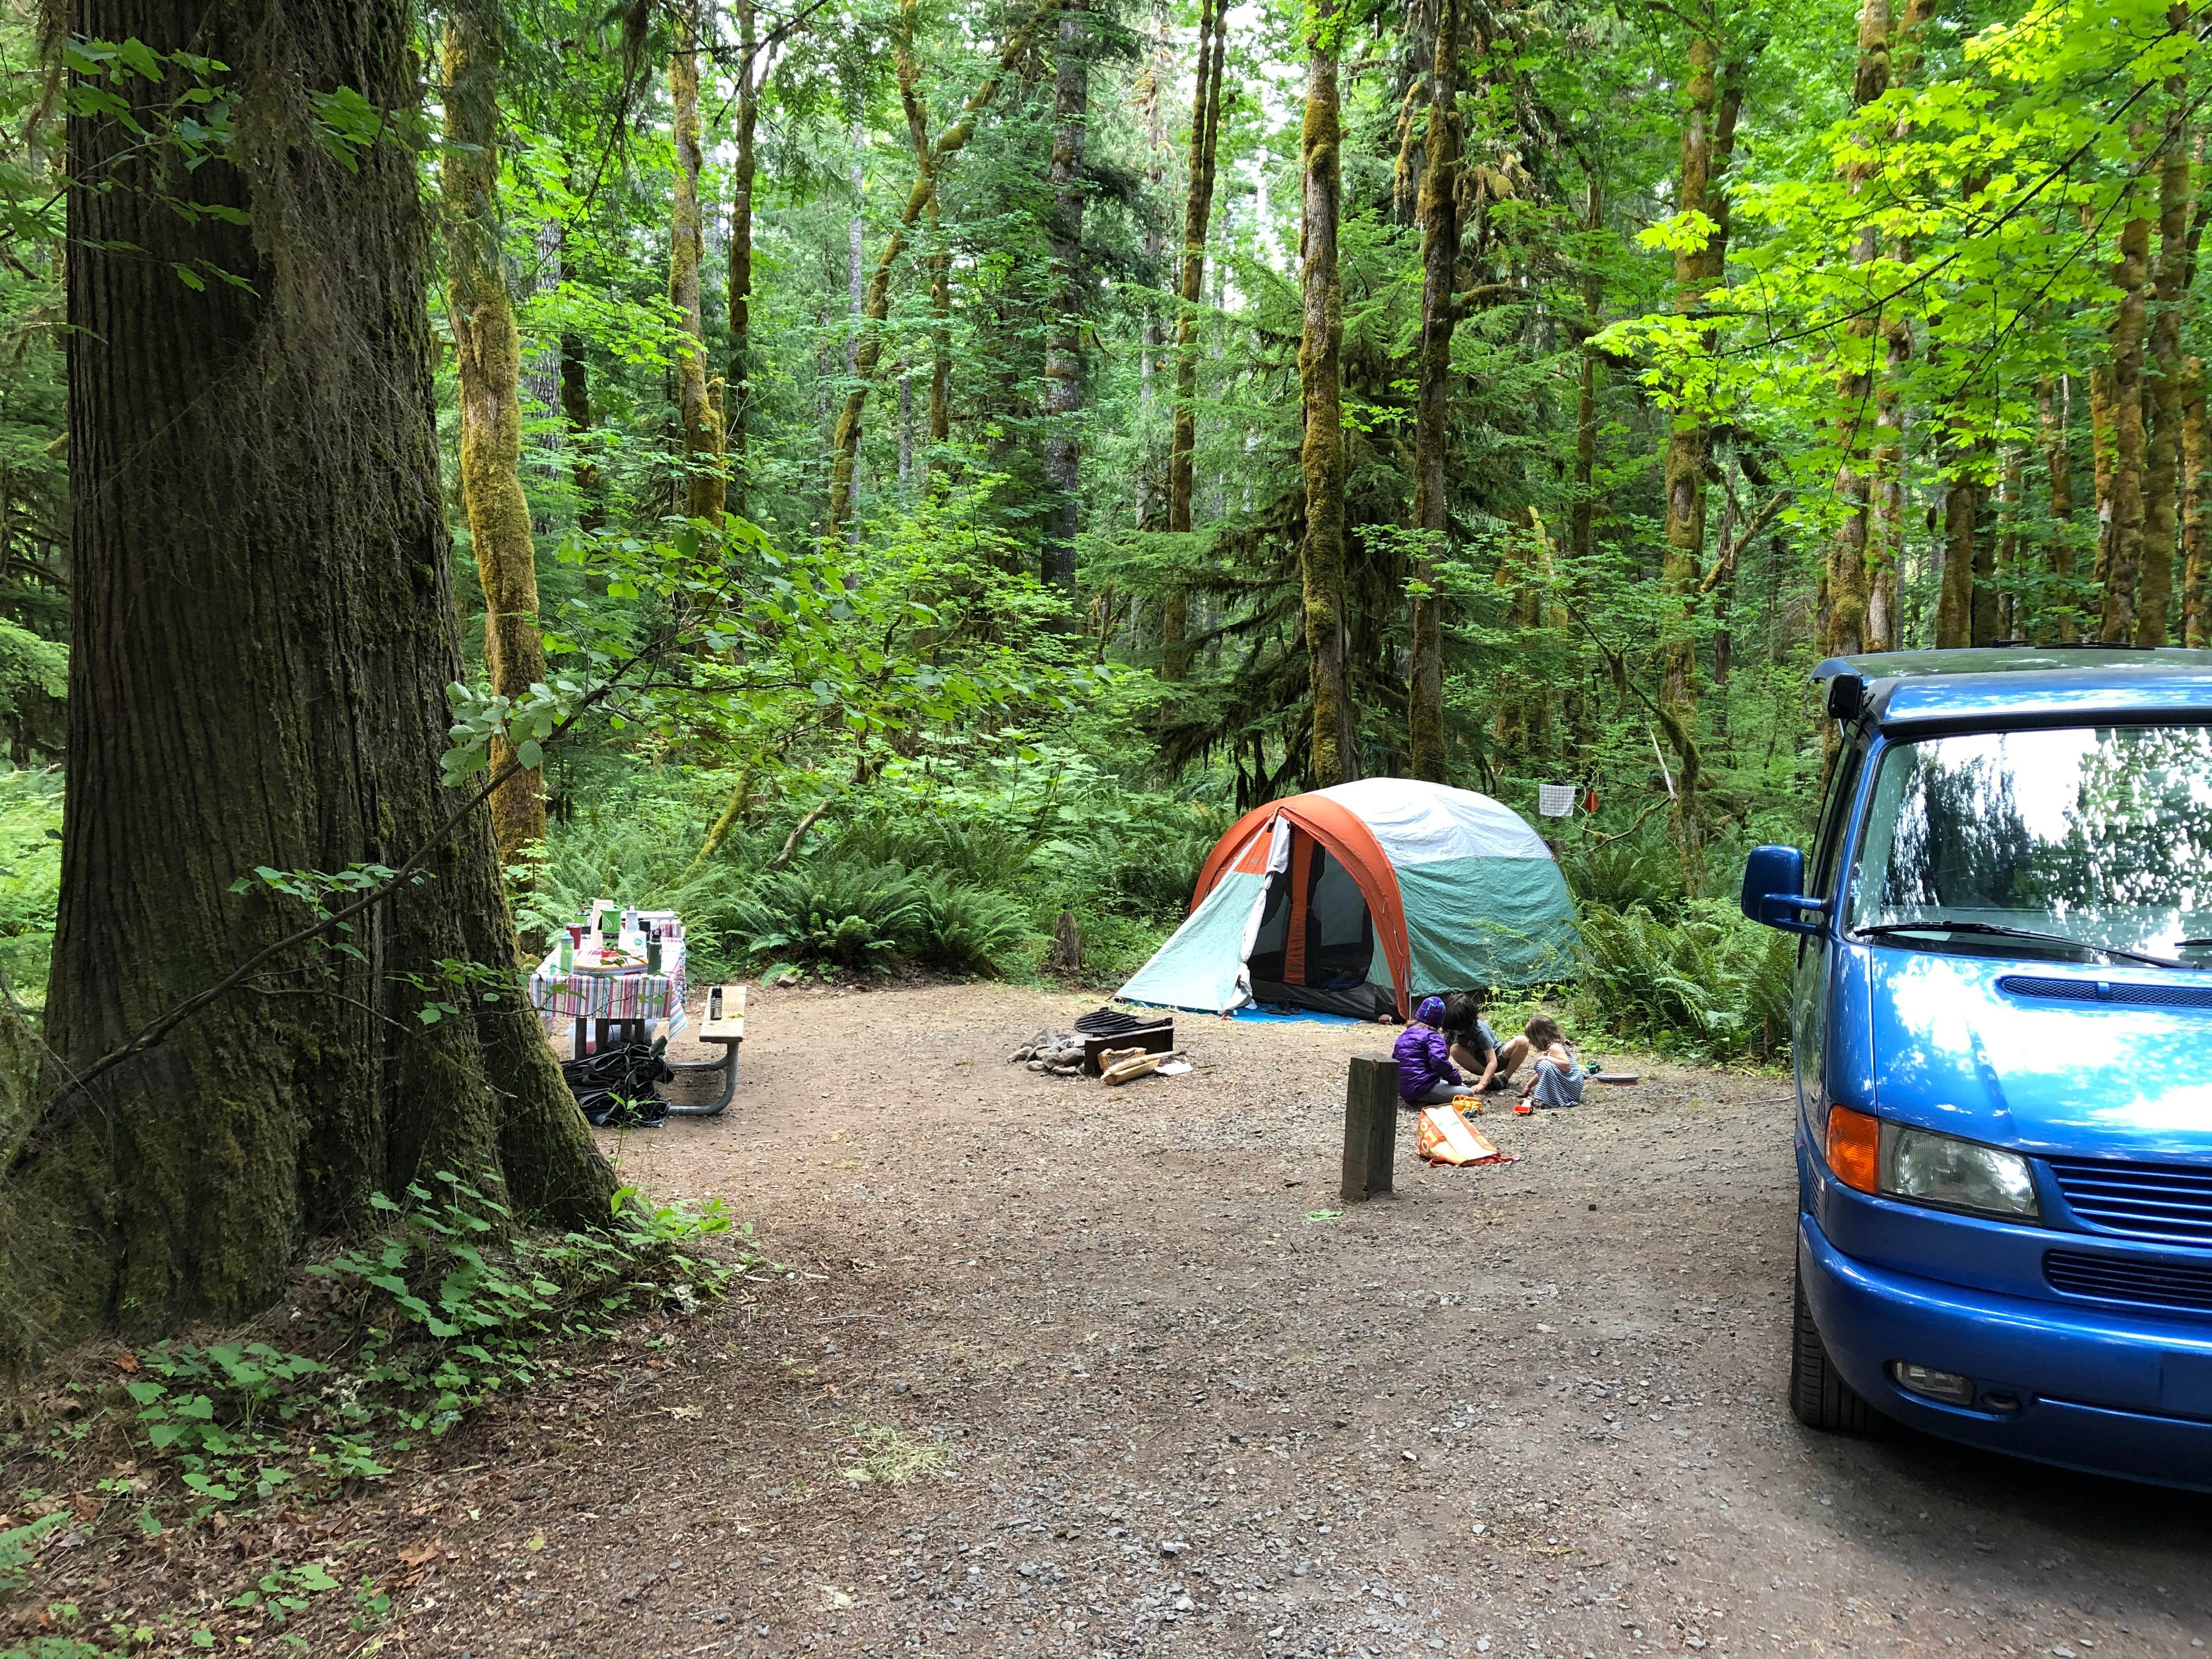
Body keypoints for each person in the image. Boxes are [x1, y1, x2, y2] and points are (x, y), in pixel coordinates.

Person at [1392, 996, 1479, 1106]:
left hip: (1404, 1090)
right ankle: (1422, 1100)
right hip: (1422, 1089)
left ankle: (1417, 1098)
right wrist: (1457, 1081)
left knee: (1441, 1080)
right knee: (1468, 1093)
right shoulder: (1433, 1037)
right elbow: (1439, 1061)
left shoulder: (1404, 1035)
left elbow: (1394, 1061)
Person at [1442, 991, 1531, 1092]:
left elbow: (1492, 1061)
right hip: (1477, 1063)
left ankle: (1504, 1078)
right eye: (1454, 1029)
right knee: (1455, 1049)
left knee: (1522, 1041)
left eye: (1461, 1028)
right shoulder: (1451, 1030)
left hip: (1496, 1057)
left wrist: (1482, 1084)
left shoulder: (1479, 1030)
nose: (1458, 1031)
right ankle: (1492, 1078)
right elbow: (1444, 1055)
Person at [1515, 1014, 1587, 1112]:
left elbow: (1566, 1066)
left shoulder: (1555, 1048)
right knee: (1545, 1065)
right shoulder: (1552, 1049)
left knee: (1544, 1064)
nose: (1531, 1042)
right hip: (1569, 1086)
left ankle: (1546, 1100)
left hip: (1571, 1084)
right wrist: (1529, 1086)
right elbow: (1544, 1073)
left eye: (1531, 1039)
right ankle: (1551, 1098)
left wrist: (1546, 1058)